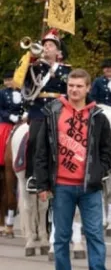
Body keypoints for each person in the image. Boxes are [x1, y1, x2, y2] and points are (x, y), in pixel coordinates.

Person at [34, 69, 111, 270]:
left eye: (79, 86)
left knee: (95, 235)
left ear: (88, 88)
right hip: (61, 186)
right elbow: (41, 151)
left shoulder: (98, 116)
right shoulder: (52, 112)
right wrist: (42, 184)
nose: (74, 89)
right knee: (61, 237)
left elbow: (107, 150)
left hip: (90, 187)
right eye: (71, 85)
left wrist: (99, 172)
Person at [20, 29, 71, 192]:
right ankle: (32, 176)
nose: (47, 47)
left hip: (59, 110)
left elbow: (70, 89)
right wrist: (30, 59)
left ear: (58, 51)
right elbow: (21, 81)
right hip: (39, 110)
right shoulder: (35, 66)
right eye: (45, 45)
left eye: (50, 45)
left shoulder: (65, 69)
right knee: (34, 139)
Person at [0, 69, 24, 167]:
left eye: (10, 79)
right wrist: (10, 116)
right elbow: (0, 109)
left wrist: (24, 115)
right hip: (7, 121)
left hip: (21, 121)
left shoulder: (23, 92)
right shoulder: (2, 93)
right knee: (1, 136)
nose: (8, 82)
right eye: (6, 80)